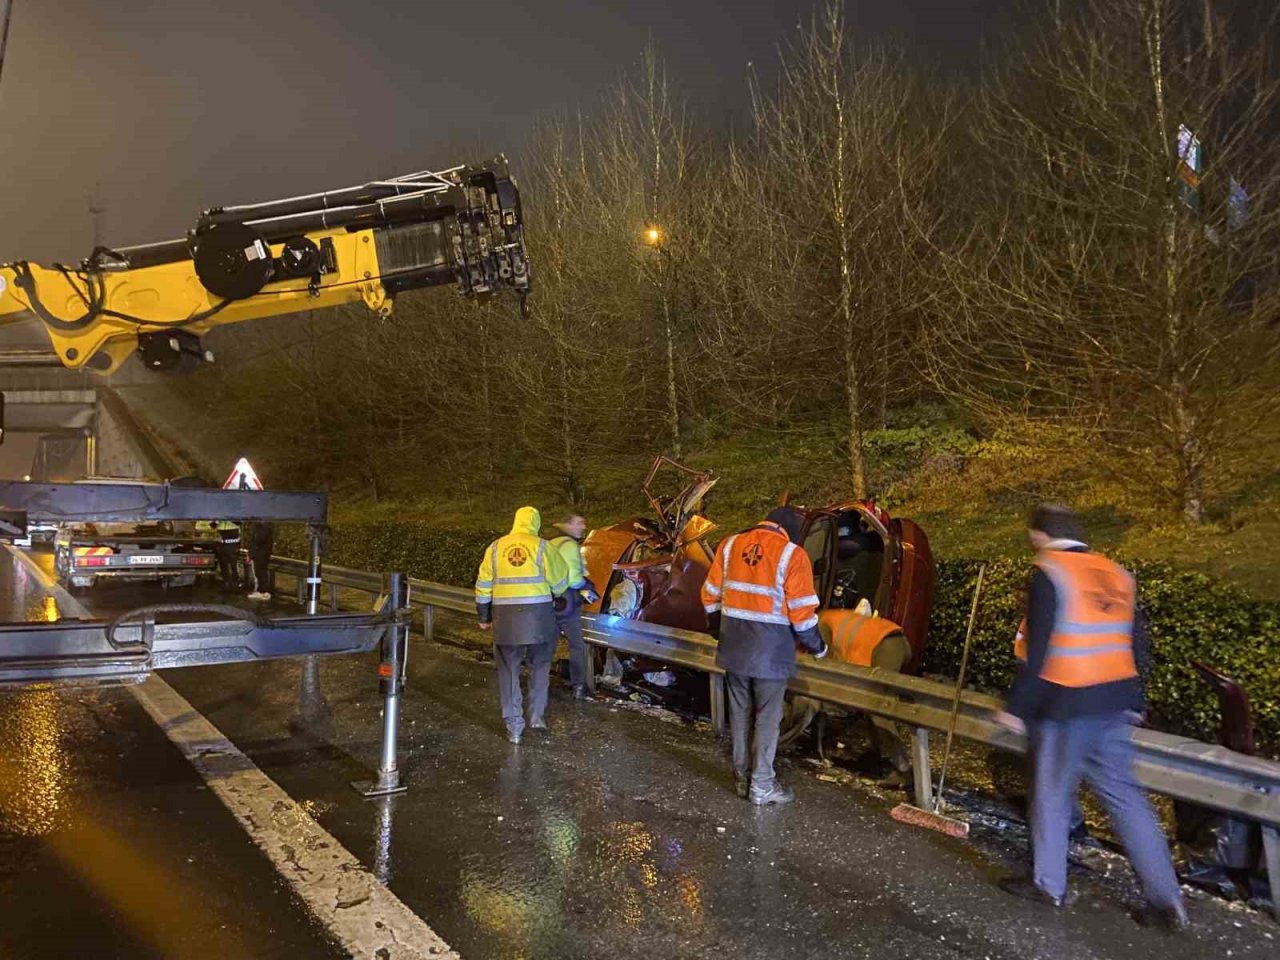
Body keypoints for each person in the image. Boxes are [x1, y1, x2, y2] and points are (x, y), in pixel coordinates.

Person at [996, 504, 1187, 930]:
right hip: (1114, 702)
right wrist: (1135, 700)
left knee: (1050, 796)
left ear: (1040, 535)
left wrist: (1017, 708)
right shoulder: (1116, 572)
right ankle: (1166, 902)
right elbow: (1137, 642)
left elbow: (1039, 650)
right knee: (1127, 801)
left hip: (1066, 703)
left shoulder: (1051, 572)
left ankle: (1048, 885)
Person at [700, 505, 828, 805]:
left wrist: (720, 630)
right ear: (789, 531)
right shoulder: (792, 554)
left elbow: (709, 595)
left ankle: (742, 779)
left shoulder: (729, 545)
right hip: (771, 655)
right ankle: (762, 785)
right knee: (768, 720)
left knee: (740, 716)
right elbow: (802, 614)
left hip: (734, 649)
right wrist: (817, 646)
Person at [475, 507, 570, 744]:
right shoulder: (543, 547)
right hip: (539, 620)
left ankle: (514, 727)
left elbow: (483, 586)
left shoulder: (495, 548)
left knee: (508, 671)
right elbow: (560, 584)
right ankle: (537, 716)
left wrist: (484, 617)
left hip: (505, 621)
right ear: (535, 523)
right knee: (540, 667)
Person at [822, 601, 912, 787]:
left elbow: (823, 660)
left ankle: (904, 770)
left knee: (878, 707)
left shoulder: (820, 623)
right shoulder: (828, 617)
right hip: (891, 641)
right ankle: (875, 756)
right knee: (868, 703)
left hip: (887, 645)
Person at [548, 514, 600, 700]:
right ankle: (579, 686)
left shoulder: (550, 544)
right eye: (579, 523)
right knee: (577, 645)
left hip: (548, 601)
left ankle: (540, 684)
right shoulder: (570, 546)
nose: (583, 527)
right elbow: (574, 579)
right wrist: (586, 587)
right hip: (567, 603)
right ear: (567, 524)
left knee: (549, 645)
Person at [246, 521, 275, 601]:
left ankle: (263, 591)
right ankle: (263, 591)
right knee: (261, 572)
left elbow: (258, 540)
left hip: (260, 553)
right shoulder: (265, 525)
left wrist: (252, 552)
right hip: (261, 552)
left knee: (260, 572)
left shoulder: (262, 527)